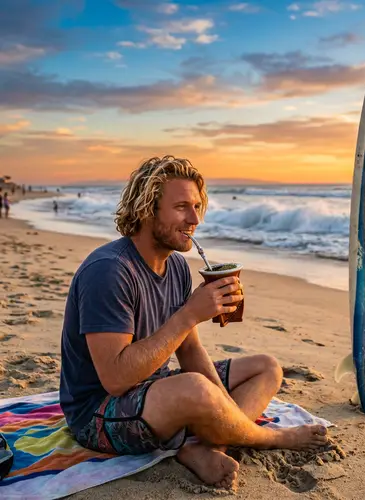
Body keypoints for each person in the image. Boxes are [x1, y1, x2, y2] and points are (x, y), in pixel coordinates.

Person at [59, 155, 327, 490]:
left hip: (153, 389)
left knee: (266, 368)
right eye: (182, 207)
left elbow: (189, 349)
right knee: (195, 388)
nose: (195, 218)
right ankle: (267, 438)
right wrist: (189, 314)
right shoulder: (109, 271)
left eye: (198, 206)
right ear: (147, 209)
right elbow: (115, 379)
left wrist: (224, 409)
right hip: (98, 413)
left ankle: (207, 446)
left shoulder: (176, 268)